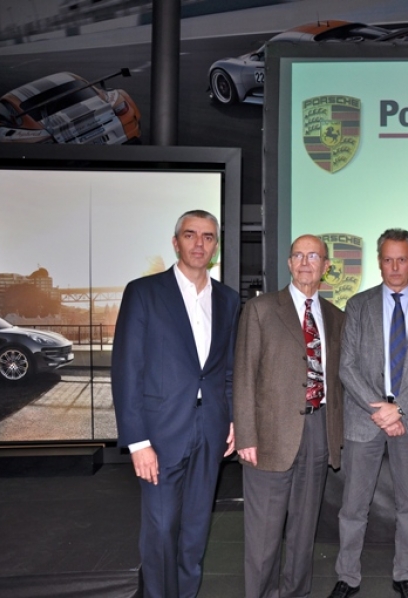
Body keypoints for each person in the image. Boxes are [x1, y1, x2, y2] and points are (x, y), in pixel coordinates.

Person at [112, 209, 240, 598]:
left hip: (211, 430)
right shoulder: (144, 291)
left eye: (208, 237)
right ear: (175, 242)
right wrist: (137, 442)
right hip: (160, 434)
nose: (199, 243)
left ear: (216, 246)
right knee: (162, 529)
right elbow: (127, 368)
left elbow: (228, 369)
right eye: (190, 235)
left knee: (196, 528)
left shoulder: (229, 300)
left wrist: (231, 421)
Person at [328, 228, 408, 598]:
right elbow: (347, 367)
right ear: (379, 262)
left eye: (402, 259)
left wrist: (401, 410)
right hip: (366, 419)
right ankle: (347, 577)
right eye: (388, 259)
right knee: (353, 507)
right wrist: (382, 410)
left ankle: (404, 574)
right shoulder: (358, 306)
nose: (395, 266)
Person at [233, 234, 346, 598]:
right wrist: (246, 436)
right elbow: (244, 375)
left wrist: (335, 438)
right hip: (269, 437)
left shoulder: (335, 317)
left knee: (302, 533)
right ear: (289, 263)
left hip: (318, 431)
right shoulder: (261, 309)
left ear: (326, 267)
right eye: (297, 254)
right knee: (264, 537)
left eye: (313, 256)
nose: (304, 262)